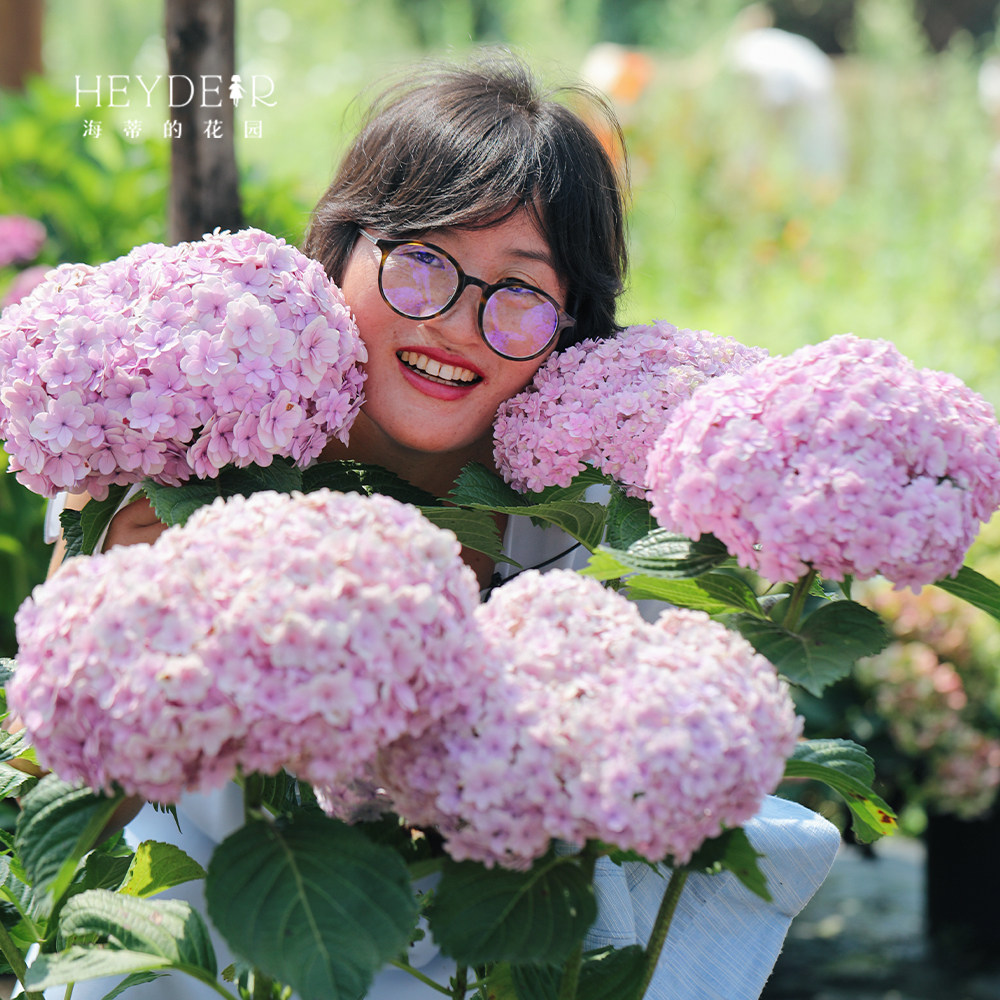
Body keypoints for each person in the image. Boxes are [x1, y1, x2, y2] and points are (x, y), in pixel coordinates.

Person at [40, 53, 840, 1000]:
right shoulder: (186, 449)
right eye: (423, 261)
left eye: (522, 292)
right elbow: (70, 745)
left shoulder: (577, 521)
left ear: (571, 324)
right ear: (341, 249)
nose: (460, 322)